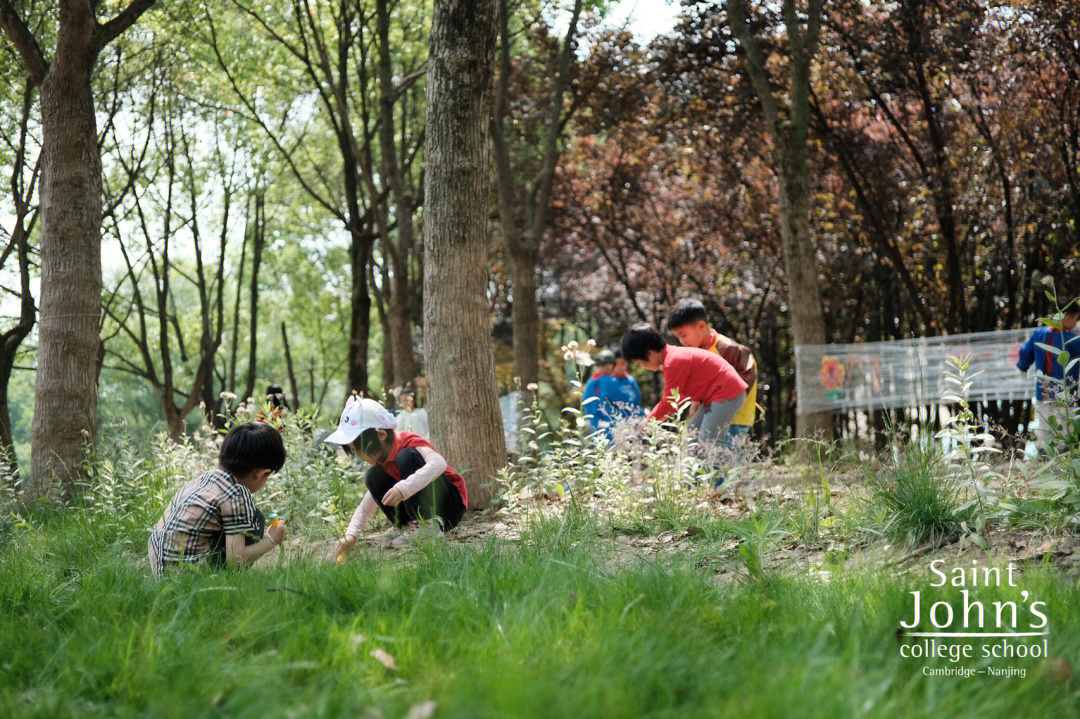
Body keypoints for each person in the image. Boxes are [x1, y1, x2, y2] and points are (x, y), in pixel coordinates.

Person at [325, 395, 467, 554]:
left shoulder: (408, 441)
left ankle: (427, 527)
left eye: (359, 447)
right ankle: (410, 527)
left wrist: (403, 488)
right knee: (373, 476)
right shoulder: (382, 464)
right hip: (425, 515)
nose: (358, 455)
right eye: (353, 450)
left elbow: (439, 464)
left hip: (449, 507)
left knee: (406, 457)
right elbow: (365, 508)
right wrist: (350, 535)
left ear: (381, 435)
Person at [147, 422, 287, 575]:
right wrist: (271, 539)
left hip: (161, 573)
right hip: (189, 577)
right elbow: (236, 561)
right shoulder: (236, 493)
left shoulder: (202, 480)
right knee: (256, 517)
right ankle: (231, 583)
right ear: (262, 474)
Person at [621, 324, 748, 450]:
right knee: (692, 437)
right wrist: (696, 401)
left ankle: (728, 470)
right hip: (716, 395)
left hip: (726, 392)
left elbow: (670, 401)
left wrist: (649, 421)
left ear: (649, 353)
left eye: (639, 361)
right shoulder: (672, 357)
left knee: (710, 440)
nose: (641, 365)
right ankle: (697, 470)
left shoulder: (673, 361)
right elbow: (684, 391)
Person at [666, 299, 758, 445]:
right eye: (678, 337)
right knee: (693, 443)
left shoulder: (728, 349)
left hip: (735, 419)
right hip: (709, 413)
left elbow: (744, 380)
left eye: (683, 335)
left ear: (701, 326)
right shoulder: (695, 354)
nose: (682, 341)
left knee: (722, 455)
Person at [1016, 300, 1080, 452]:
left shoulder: (1039, 334)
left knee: (1044, 427)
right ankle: (1062, 462)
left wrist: (1022, 367)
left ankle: (1044, 458)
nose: (1076, 324)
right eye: (1076, 319)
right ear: (1068, 317)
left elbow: (1025, 355)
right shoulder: (1072, 340)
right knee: (1066, 429)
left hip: (1043, 392)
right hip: (1066, 394)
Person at [594, 350, 643, 440]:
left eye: (623, 363)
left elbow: (637, 400)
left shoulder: (630, 380)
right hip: (613, 426)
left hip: (633, 423)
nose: (620, 367)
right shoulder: (607, 381)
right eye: (617, 364)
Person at [582, 349, 616, 432]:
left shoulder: (591, 381)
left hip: (594, 426)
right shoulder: (607, 381)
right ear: (610, 366)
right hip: (609, 426)